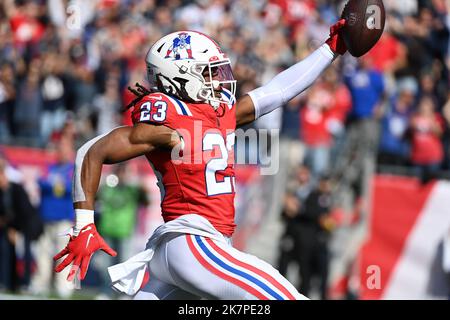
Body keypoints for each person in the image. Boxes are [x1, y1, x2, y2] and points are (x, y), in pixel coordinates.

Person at [53, 21, 349, 300]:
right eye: (208, 73)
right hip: (193, 242)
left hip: (194, 249)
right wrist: (84, 224)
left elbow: (277, 91)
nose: (218, 80)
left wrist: (330, 49)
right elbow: (92, 151)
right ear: (178, 76)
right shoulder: (167, 119)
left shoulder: (217, 113)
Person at [30, 137, 76, 298]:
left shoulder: (73, 170)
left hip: (63, 219)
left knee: (63, 254)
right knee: (42, 253)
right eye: (59, 149)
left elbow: (71, 189)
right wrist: (54, 184)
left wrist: (54, 184)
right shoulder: (49, 168)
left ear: (70, 152)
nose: (61, 152)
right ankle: (40, 284)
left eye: (64, 149)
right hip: (46, 217)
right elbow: (41, 182)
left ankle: (63, 286)